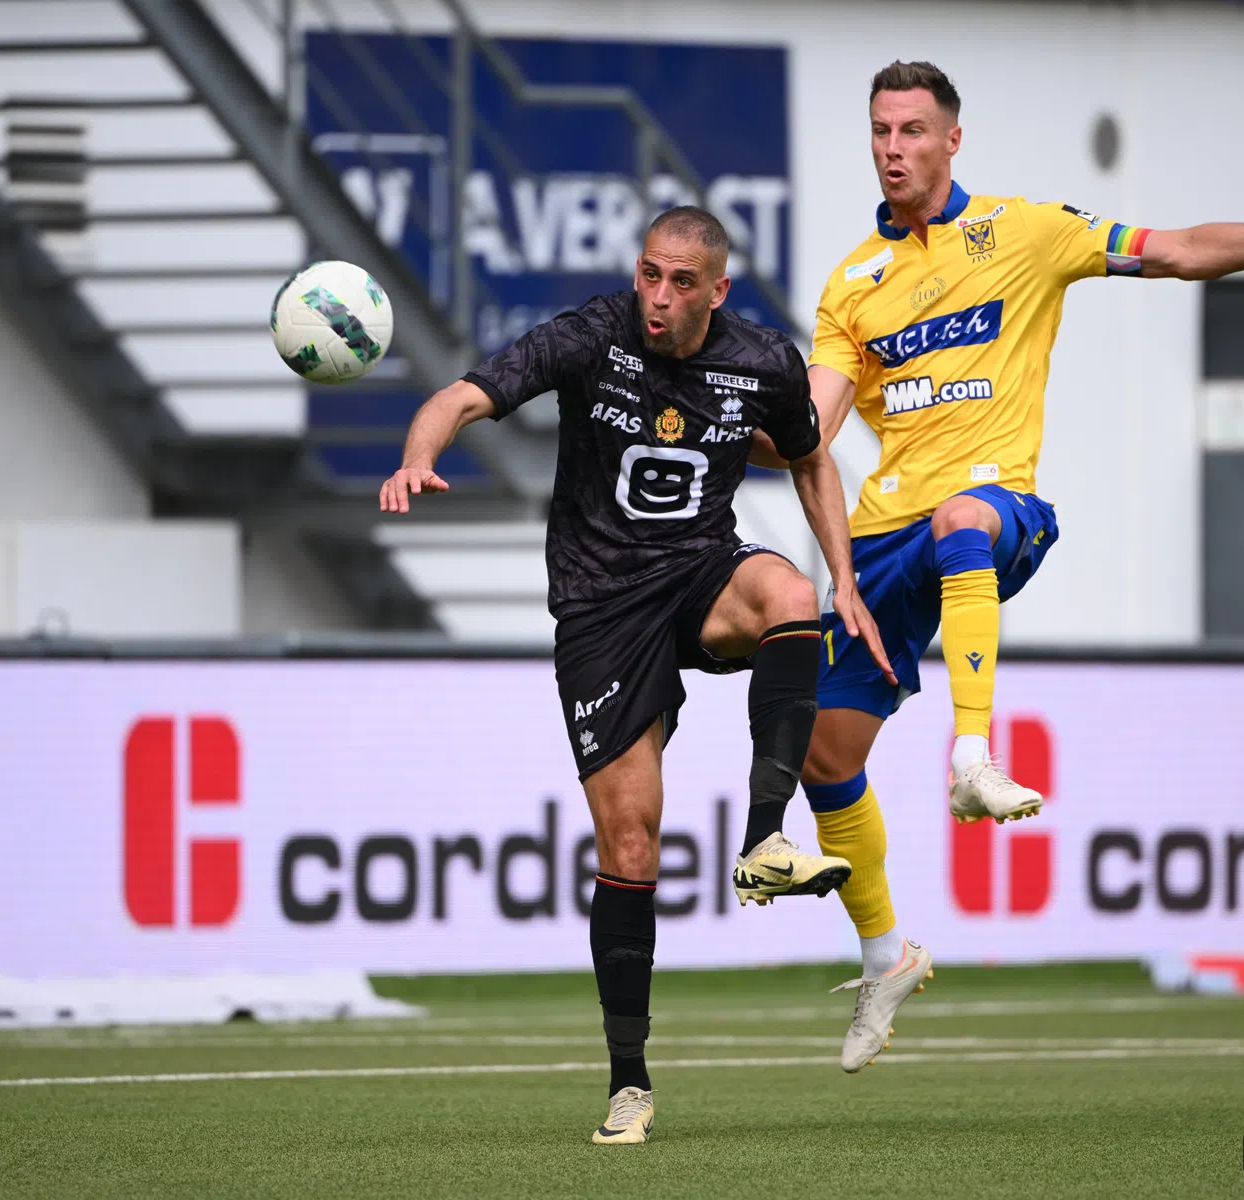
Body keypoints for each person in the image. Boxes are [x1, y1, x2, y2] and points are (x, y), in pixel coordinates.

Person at [751, 60, 1244, 1073]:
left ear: (953, 140)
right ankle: (886, 955)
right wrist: (699, 411)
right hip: (879, 539)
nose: (892, 149)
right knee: (828, 760)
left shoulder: (1028, 230)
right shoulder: (851, 284)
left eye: (913, 130)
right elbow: (810, 430)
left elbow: (1180, 250)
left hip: (990, 507)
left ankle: (972, 760)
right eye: (880, 131)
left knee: (964, 515)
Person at [379, 206, 892, 1145]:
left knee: (787, 592)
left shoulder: (762, 361)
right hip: (601, 609)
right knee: (630, 844)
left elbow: (812, 456)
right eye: (649, 275)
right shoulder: (589, 336)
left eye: (680, 282)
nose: (658, 297)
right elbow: (457, 398)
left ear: (717, 290)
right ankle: (630, 1083)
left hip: (700, 574)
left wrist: (845, 580)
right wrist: (419, 460)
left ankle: (767, 841)